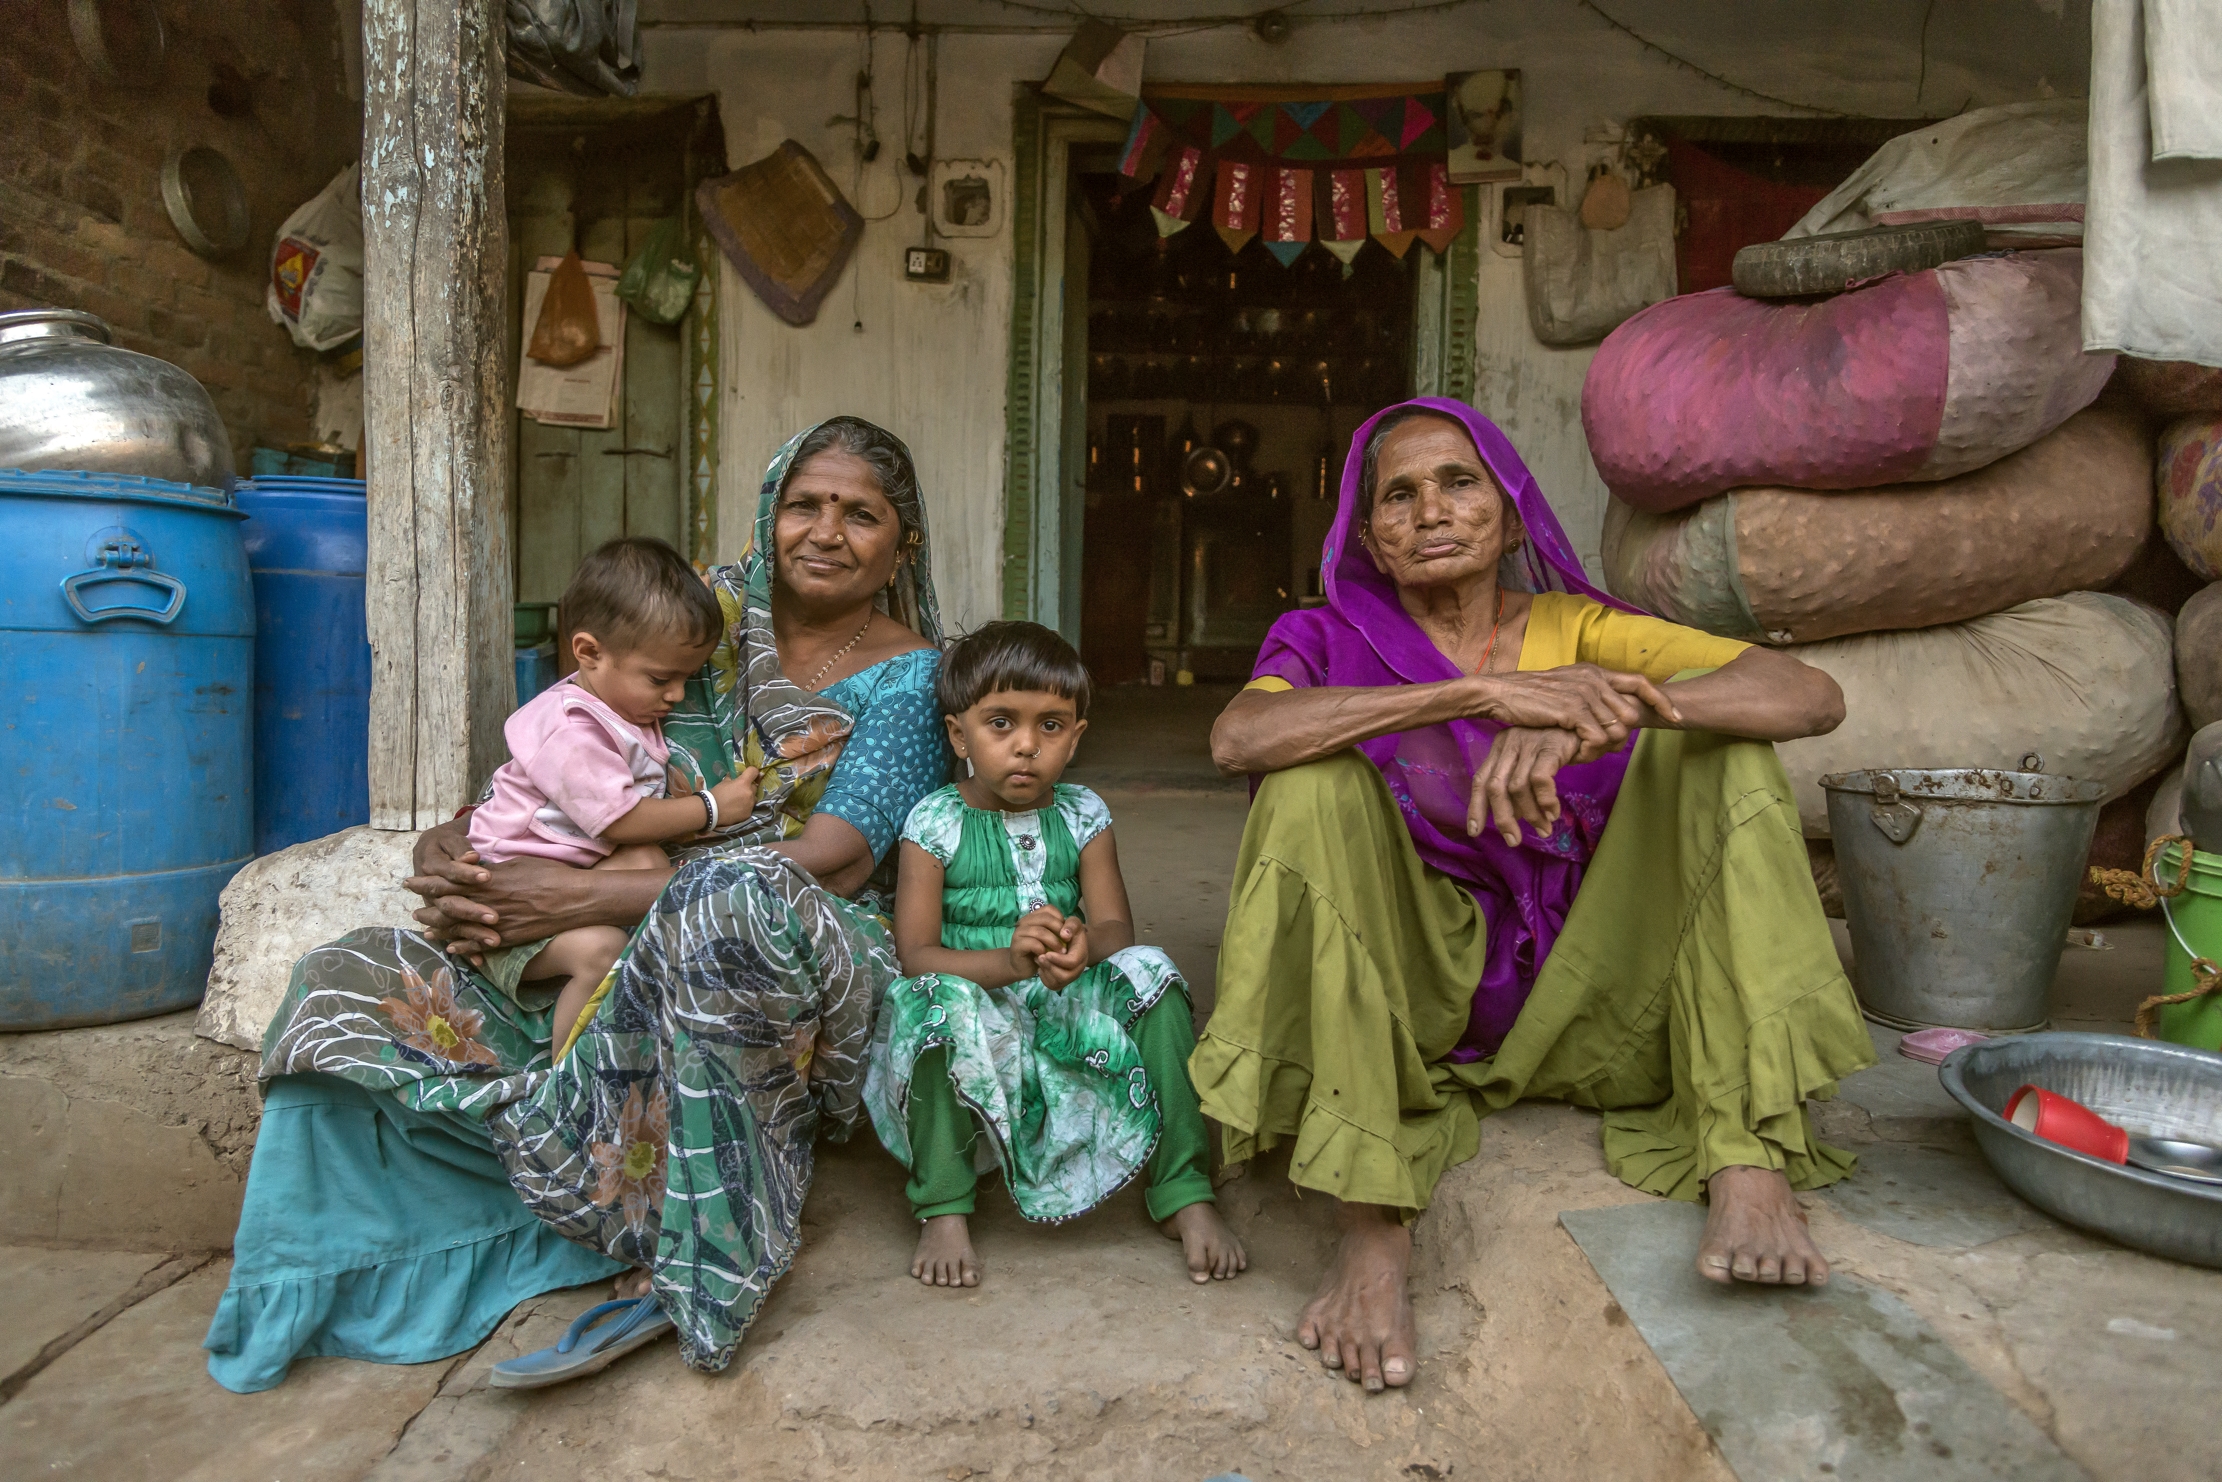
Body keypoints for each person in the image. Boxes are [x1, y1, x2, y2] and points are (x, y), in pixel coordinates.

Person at [205, 416, 950, 1392]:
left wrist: (577, 890)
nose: (824, 530)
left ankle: (682, 1259)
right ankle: (331, 1268)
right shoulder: (698, 613)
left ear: (904, 543)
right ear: (769, 515)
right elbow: (571, 736)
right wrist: (472, 843)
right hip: (614, 910)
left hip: (789, 937)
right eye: (804, 504)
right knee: (358, 975)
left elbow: (830, 861)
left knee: (728, 907)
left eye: (860, 514)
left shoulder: (912, 676)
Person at [1195, 398, 1876, 1394]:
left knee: (1723, 760)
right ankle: (1370, 1223)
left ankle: (1747, 1155)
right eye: (1398, 495)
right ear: (1369, 537)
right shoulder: (1320, 636)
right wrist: (1472, 697)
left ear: (1510, 518)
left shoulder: (1580, 630)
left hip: (1592, 994)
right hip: (1417, 998)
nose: (1430, 509)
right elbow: (1234, 741)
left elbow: (1807, 697)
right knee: (1306, 783)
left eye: (1458, 483)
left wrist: (1599, 721)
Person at [864, 622, 1246, 1289]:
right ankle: (944, 1204)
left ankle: (1184, 1188)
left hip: (1067, 1011)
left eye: (1050, 726)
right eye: (1002, 723)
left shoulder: (1084, 814)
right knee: (926, 1002)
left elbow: (1114, 930)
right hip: (976, 1021)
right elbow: (918, 955)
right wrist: (1008, 964)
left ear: (1076, 737)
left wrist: (1080, 946)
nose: (1025, 746)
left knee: (1152, 972)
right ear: (960, 737)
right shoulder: (933, 822)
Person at [464, 537, 763, 1053]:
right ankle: (570, 1090)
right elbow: (619, 821)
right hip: (507, 905)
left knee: (650, 865)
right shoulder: (569, 726)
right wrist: (712, 808)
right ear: (589, 652)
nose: (675, 695)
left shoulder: (620, 711)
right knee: (602, 948)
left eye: (686, 680)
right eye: (661, 679)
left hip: (569, 878)